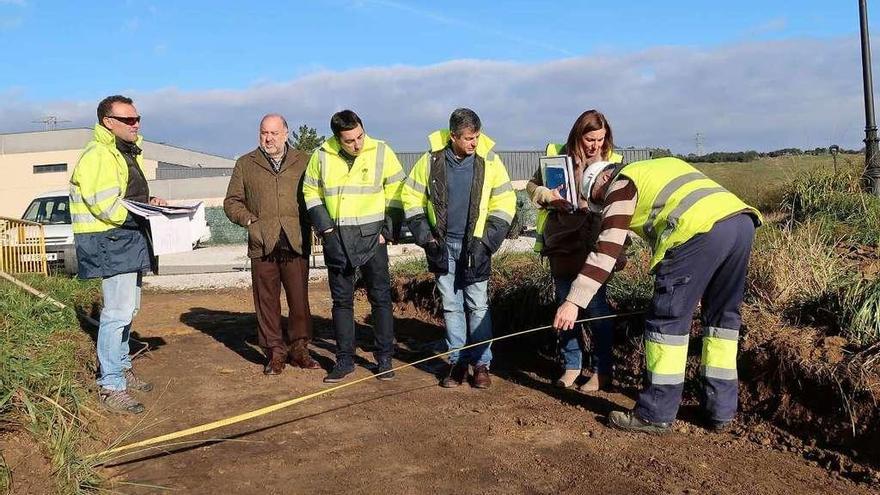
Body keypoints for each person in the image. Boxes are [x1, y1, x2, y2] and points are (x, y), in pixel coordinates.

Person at [553, 156, 761, 433]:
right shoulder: (658, 166)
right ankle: (720, 411)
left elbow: (606, 250)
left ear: (604, 179)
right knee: (723, 321)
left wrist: (573, 301)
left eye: (599, 200)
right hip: (740, 222)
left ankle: (655, 414)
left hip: (697, 232)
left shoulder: (622, 183)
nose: (604, 206)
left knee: (667, 322)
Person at [402, 108, 516, 389]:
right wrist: (427, 239)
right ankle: (457, 362)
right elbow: (411, 197)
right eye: (468, 138)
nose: (474, 143)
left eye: (476, 136)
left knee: (478, 305)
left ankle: (481, 364)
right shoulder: (430, 161)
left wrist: (486, 242)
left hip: (475, 245)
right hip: (443, 245)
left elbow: (505, 203)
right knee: (452, 306)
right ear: (453, 136)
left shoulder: (490, 162)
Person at [69, 95, 166, 414]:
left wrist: (149, 203)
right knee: (117, 313)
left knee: (129, 310)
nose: (135, 124)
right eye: (128, 119)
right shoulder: (99, 154)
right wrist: (145, 213)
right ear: (108, 123)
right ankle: (111, 385)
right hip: (112, 240)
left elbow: (125, 197)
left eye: (137, 118)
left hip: (127, 239)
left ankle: (122, 368)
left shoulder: (122, 153)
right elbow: (107, 206)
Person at [302, 110, 405, 383]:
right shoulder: (321, 156)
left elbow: (397, 190)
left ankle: (384, 358)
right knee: (342, 302)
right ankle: (344, 359)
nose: (357, 144)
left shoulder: (381, 151)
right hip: (337, 240)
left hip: (374, 239)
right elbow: (310, 192)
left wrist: (388, 231)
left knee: (381, 298)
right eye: (350, 140)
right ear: (338, 138)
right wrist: (326, 229)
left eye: (359, 136)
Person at [527, 110, 623, 392]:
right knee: (564, 306)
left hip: (594, 244)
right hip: (562, 242)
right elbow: (532, 186)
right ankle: (571, 365)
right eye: (589, 139)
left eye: (600, 139)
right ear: (577, 135)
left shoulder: (612, 164)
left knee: (595, 308)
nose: (595, 145)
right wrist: (547, 196)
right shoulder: (558, 157)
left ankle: (602, 370)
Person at [224, 114, 318, 375]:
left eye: (274, 133)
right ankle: (275, 352)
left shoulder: (305, 161)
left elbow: (315, 195)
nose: (268, 138)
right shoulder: (245, 163)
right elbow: (231, 201)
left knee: (299, 300)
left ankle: (299, 348)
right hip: (262, 243)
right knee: (266, 300)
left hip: (295, 240)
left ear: (286, 134)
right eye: (264, 132)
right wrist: (250, 221)